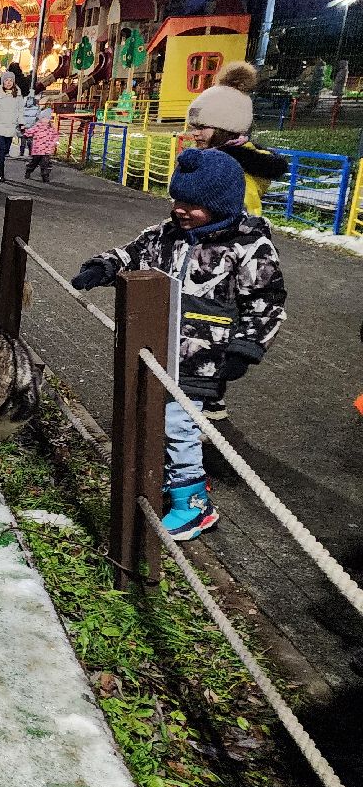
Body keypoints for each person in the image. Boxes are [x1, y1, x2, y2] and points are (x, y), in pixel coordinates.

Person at [70, 148, 286, 540]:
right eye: (177, 200)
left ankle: (194, 503)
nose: (181, 210)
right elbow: (133, 252)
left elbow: (266, 303)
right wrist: (104, 265)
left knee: (178, 425)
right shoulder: (168, 234)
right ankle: (162, 478)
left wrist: (247, 347)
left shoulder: (248, 247)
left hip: (205, 357)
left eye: (194, 204)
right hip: (156, 346)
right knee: (152, 414)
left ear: (221, 204)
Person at [185, 61, 287, 215]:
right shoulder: (208, 159)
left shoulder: (233, 171)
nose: (195, 133)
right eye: (194, 127)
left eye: (202, 127)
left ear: (227, 128)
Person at [0, 69, 25, 181]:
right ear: (2, 82)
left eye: (10, 81)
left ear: (13, 82)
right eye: (6, 80)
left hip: (11, 126)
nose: (8, 82)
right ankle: (1, 174)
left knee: (6, 150)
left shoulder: (18, 96)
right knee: (2, 148)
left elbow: (20, 110)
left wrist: (21, 123)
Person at [21, 106, 59, 182]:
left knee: (46, 163)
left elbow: (55, 136)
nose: (45, 120)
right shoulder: (37, 126)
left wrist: (54, 142)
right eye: (44, 118)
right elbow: (30, 131)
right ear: (40, 118)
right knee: (34, 162)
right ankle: (29, 170)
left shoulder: (51, 128)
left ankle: (45, 176)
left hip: (47, 149)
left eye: (47, 118)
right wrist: (25, 134)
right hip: (37, 149)